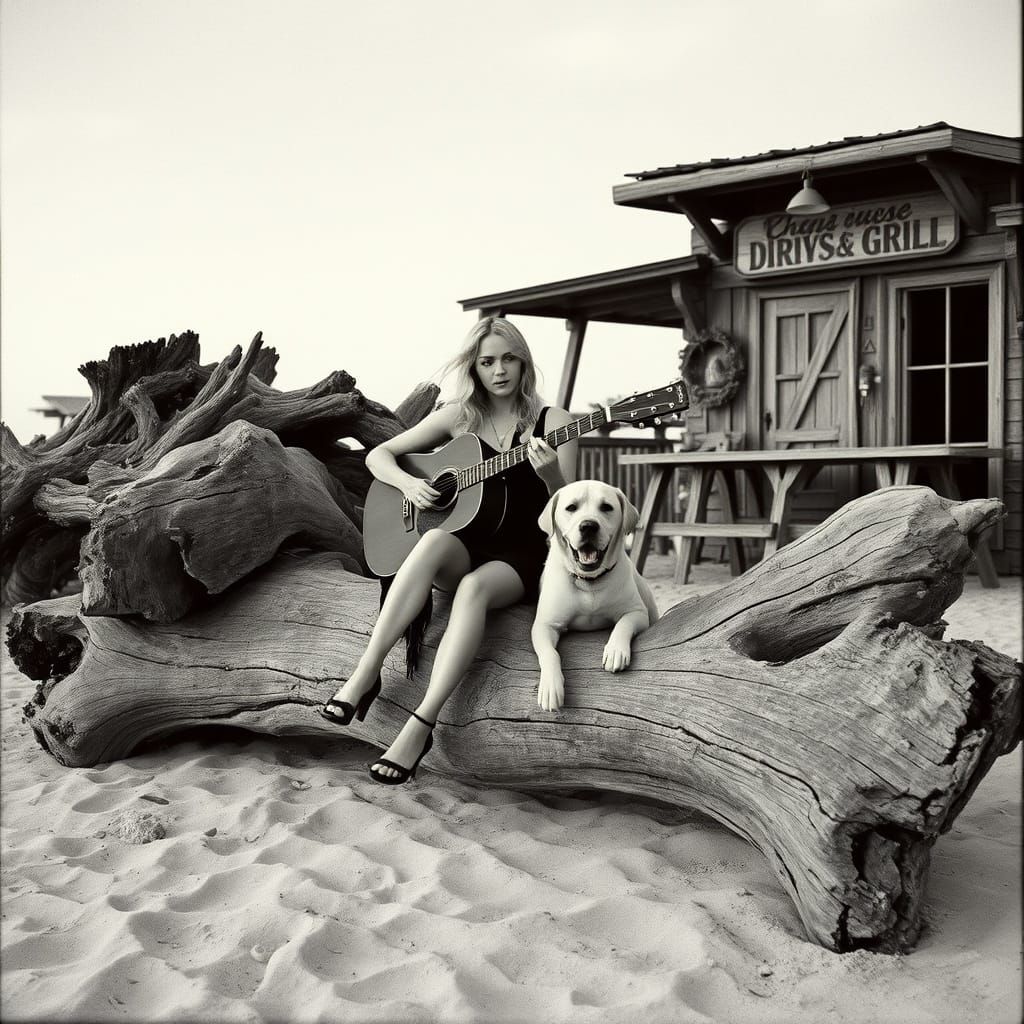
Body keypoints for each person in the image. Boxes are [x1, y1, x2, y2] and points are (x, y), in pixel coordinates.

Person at [321, 316, 578, 784]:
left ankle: (421, 724)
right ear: (474, 368)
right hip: (467, 542)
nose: (498, 370)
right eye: (487, 362)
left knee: (476, 587)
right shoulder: (458, 416)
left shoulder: (554, 423)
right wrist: (410, 485)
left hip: (521, 556)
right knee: (436, 536)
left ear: (524, 364)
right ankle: (366, 672)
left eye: (508, 359)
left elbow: (569, 511)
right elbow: (379, 456)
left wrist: (551, 476)